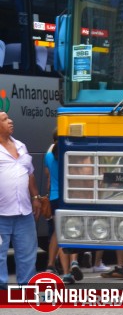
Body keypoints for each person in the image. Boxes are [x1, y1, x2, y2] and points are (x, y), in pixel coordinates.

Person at [0, 111, 40, 289]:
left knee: (27, 253)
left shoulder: (21, 146)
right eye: (5, 119)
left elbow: (29, 173)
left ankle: (26, 287)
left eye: (8, 118)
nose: (10, 121)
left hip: (24, 212)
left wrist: (36, 197)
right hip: (1, 213)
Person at [43, 127, 84, 284]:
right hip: (70, 196)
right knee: (74, 230)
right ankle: (74, 261)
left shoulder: (48, 156)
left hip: (54, 198)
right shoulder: (71, 156)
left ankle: (66, 273)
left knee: (60, 234)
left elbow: (48, 175)